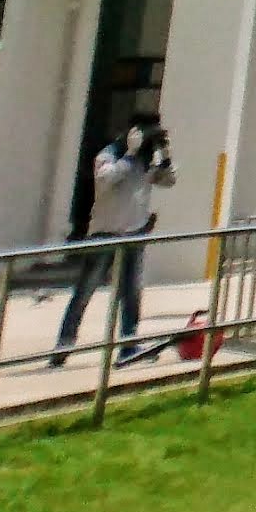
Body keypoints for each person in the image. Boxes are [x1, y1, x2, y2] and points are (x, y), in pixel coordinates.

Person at [53, 117, 170, 359]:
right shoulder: (110, 154)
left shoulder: (145, 161)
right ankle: (64, 343)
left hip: (134, 233)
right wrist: (130, 153)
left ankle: (129, 344)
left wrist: (165, 156)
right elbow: (105, 178)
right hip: (104, 233)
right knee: (86, 289)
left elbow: (168, 181)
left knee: (131, 292)